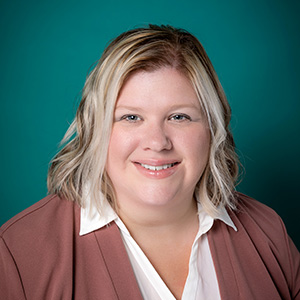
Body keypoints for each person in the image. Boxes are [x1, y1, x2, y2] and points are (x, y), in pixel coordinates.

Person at [0, 24, 299, 300]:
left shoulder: (267, 232)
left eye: (179, 117)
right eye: (131, 117)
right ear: (96, 129)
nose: (157, 142)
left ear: (212, 129)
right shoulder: (17, 253)